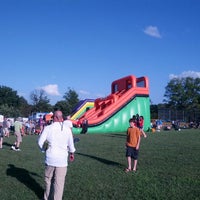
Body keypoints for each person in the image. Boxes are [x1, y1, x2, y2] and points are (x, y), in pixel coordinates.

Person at [38, 110, 76, 200]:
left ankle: (47, 198)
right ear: (61, 117)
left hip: (50, 158)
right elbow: (71, 144)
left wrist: (44, 150)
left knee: (48, 180)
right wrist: (72, 153)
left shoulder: (48, 128)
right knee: (59, 183)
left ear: (54, 117)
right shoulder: (67, 129)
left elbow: (40, 142)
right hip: (62, 160)